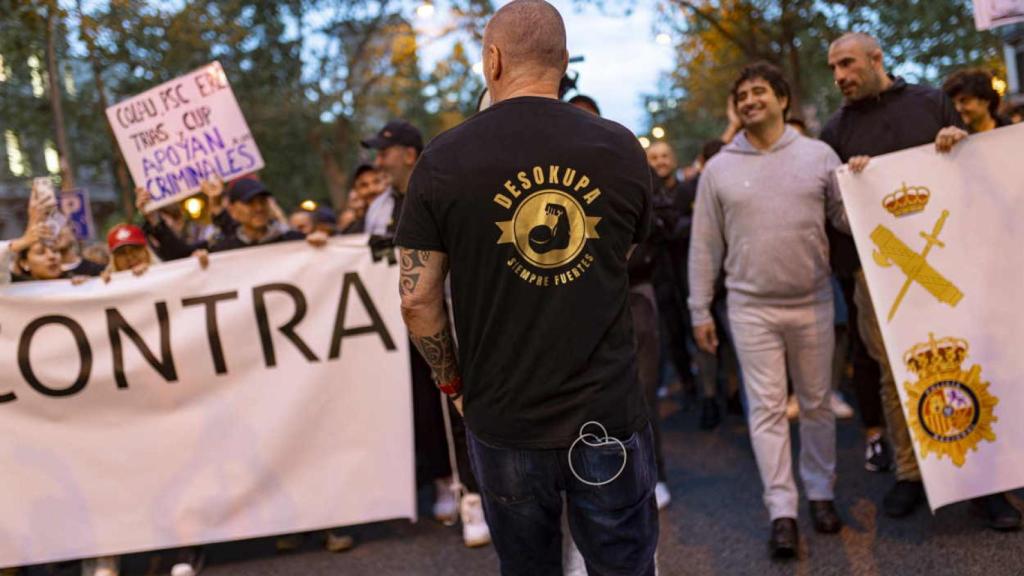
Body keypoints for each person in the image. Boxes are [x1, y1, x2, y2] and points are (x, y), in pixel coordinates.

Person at [396, 1, 658, 573]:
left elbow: (417, 300)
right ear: (563, 63)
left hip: (503, 420)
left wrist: (455, 387)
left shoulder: (442, 160)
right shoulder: (620, 149)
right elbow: (624, 256)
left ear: (492, 59)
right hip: (606, 416)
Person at [822, 31, 1021, 530]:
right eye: (832, 69)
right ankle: (910, 473)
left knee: (970, 357)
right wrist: (855, 188)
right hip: (881, 278)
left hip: (950, 267)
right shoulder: (834, 131)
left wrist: (960, 144)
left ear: (875, 58)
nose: (840, 76)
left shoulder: (932, 104)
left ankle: (987, 484)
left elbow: (970, 179)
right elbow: (836, 213)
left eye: (847, 64)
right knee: (896, 375)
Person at [689, 62, 847, 559]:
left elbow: (849, 219)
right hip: (750, 308)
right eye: (742, 94)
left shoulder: (820, 155)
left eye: (759, 91)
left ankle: (820, 494)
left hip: (814, 302)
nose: (749, 100)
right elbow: (704, 245)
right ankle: (782, 510)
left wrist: (862, 177)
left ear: (783, 100)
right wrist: (700, 310)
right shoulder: (718, 169)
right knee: (766, 411)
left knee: (818, 402)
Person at [361, 120, 491, 548]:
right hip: (395, 328)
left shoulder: (439, 188)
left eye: (385, 152)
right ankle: (445, 481)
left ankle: (473, 493)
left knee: (456, 397)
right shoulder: (378, 207)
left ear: (409, 154)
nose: (377, 161)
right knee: (423, 403)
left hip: (451, 315)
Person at [572, 95, 672, 511]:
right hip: (579, 303)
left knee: (641, 394)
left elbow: (658, 220)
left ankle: (654, 475)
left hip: (633, 296)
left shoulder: (623, 162)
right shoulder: (555, 176)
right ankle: (602, 479)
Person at [644, 141, 697, 403]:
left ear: (673, 159)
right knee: (671, 334)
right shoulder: (646, 193)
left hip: (689, 272)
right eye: (654, 157)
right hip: (661, 277)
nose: (660, 161)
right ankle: (688, 384)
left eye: (665, 155)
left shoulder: (687, 191)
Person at [942, 68, 1010, 133]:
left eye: (964, 101)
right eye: (953, 103)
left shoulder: (1009, 129)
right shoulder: (957, 138)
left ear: (985, 100)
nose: (958, 108)